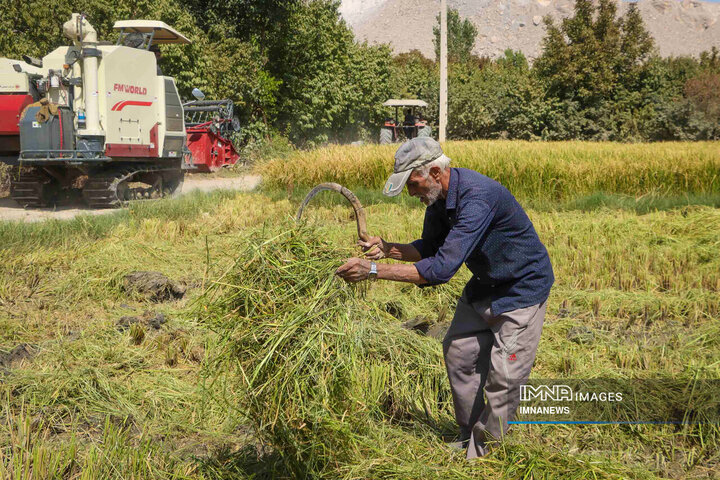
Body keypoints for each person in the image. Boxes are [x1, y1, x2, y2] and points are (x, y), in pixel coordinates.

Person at [335, 137, 554, 459]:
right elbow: (430, 247)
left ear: (435, 172)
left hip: (520, 291)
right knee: (459, 353)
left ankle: (485, 456)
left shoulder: (478, 197)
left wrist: (372, 269)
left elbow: (439, 270)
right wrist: (388, 248)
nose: (411, 193)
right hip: (484, 286)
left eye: (413, 183)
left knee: (503, 379)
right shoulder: (439, 199)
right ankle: (469, 438)